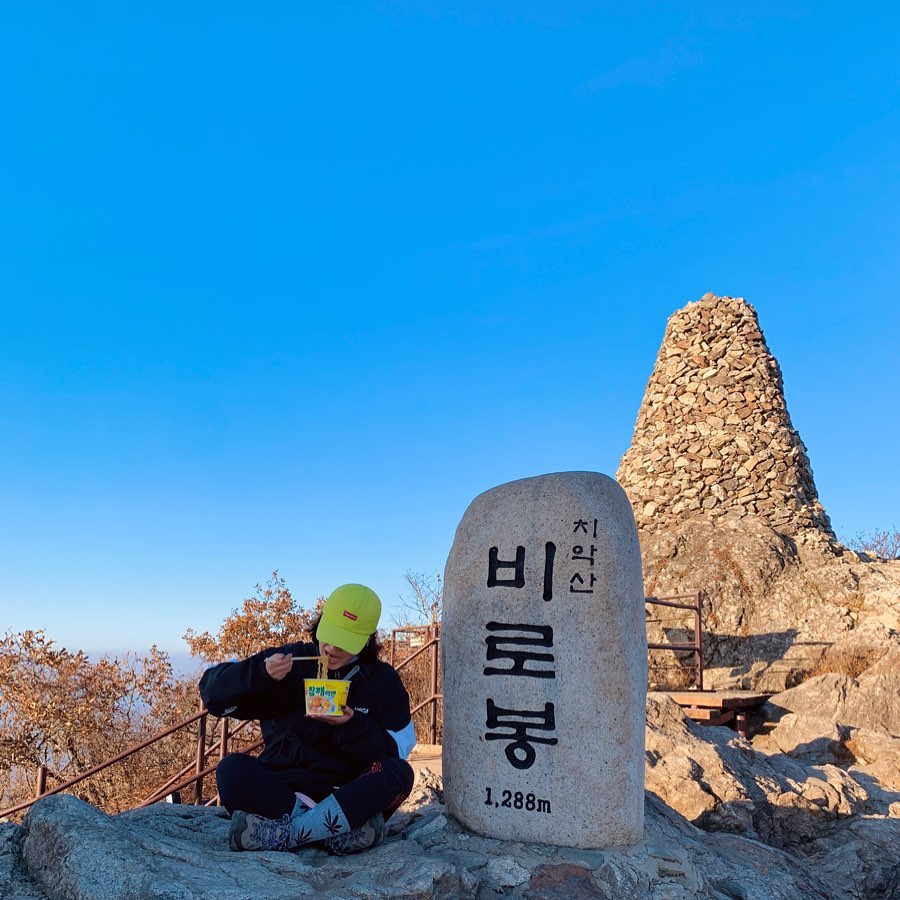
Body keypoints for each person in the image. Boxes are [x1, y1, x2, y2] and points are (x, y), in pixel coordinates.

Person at [199, 583, 416, 854]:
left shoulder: (382, 680)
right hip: (282, 790)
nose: (332, 649)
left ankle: (284, 835)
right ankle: (331, 834)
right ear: (320, 623)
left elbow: (397, 750)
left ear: (367, 639)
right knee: (230, 770)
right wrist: (260, 674)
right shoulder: (293, 660)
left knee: (400, 774)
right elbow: (212, 695)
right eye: (329, 635)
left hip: (346, 794)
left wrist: (352, 726)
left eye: (345, 642)